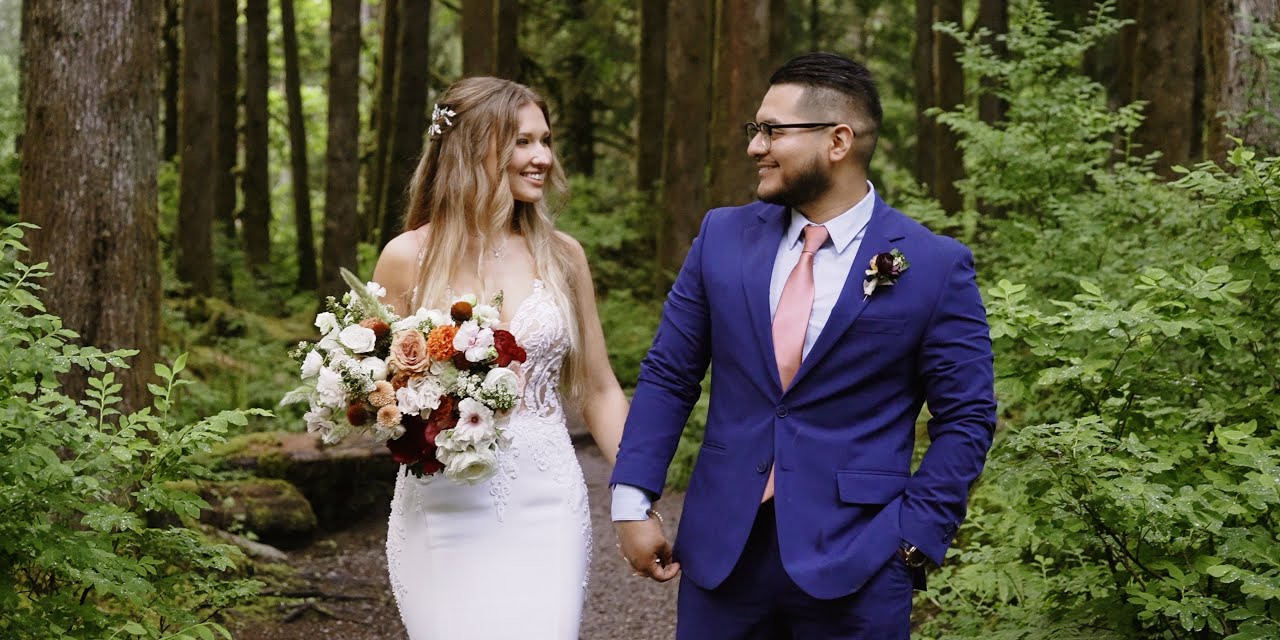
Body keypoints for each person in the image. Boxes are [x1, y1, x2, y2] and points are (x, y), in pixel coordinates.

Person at [610, 52, 997, 639]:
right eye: (755, 129)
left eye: (772, 131)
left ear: (837, 141)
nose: (755, 146)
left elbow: (966, 416)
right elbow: (669, 374)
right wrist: (632, 500)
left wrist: (915, 539)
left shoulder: (934, 266)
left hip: (860, 564)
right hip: (722, 558)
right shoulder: (721, 237)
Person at [372, 76, 630, 639]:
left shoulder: (563, 256)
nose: (541, 157)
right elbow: (378, 389)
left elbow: (599, 388)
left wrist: (636, 492)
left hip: (547, 503)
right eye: (521, 142)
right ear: (471, 148)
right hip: (442, 503)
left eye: (545, 140)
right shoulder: (406, 258)